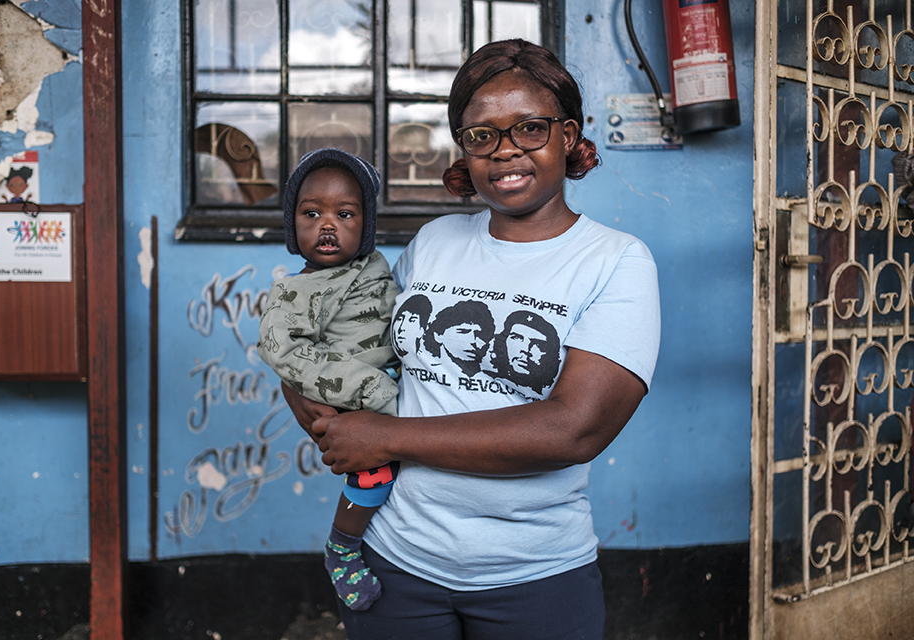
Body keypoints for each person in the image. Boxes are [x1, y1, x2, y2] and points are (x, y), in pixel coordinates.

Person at [283, 38, 661, 640]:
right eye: (482, 134)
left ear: (567, 135)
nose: (505, 150)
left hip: (534, 578)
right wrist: (314, 397)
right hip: (394, 561)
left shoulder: (614, 260)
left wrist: (382, 436)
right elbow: (358, 344)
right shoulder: (436, 240)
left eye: (528, 129)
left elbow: (575, 428)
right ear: (465, 148)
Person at [256, 148, 400, 612]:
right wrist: (371, 390)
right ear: (292, 225)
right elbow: (283, 351)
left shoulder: (370, 265)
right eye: (311, 213)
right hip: (356, 400)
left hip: (387, 383)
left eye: (345, 214)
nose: (327, 225)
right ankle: (342, 546)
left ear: (367, 224)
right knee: (375, 477)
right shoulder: (297, 291)